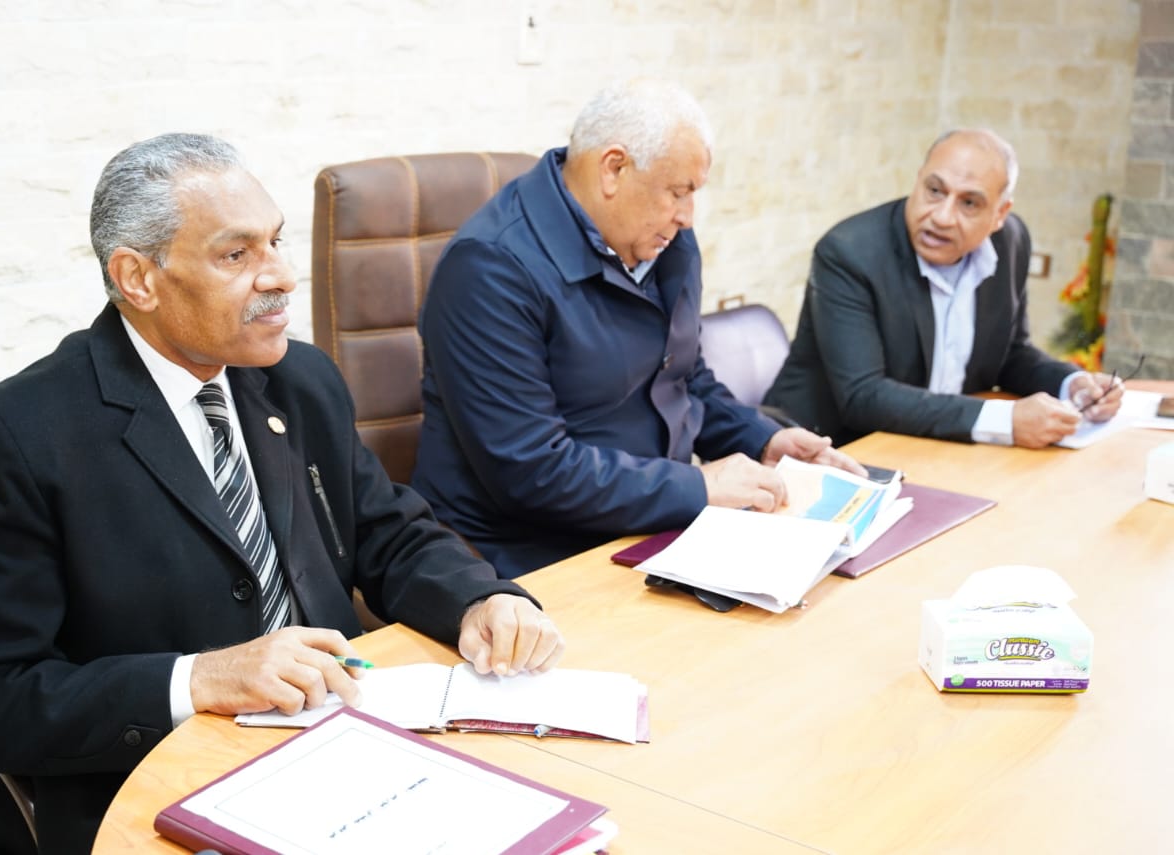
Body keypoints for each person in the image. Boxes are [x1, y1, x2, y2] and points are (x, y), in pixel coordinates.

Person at [0, 133, 565, 855]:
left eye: (276, 241)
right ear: (138, 278)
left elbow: (387, 531)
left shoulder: (299, 380)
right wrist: (199, 679)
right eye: (236, 255)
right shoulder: (16, 433)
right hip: (155, 786)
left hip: (344, 743)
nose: (281, 275)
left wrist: (479, 599)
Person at [411, 79, 861, 580]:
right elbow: (532, 471)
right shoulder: (490, 269)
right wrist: (700, 487)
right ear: (614, 169)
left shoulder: (664, 242)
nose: (687, 216)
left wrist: (762, 441)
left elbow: (682, 379)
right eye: (678, 192)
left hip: (651, 526)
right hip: (528, 556)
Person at [763, 128, 1124, 449]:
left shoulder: (1010, 243)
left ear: (1000, 214)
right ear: (917, 181)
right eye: (934, 191)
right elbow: (863, 396)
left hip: (933, 443)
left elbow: (1010, 355)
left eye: (969, 203)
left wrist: (1072, 384)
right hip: (831, 449)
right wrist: (1005, 421)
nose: (942, 216)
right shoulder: (849, 253)